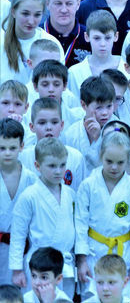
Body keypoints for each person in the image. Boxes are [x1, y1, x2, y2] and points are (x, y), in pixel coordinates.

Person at [74, 131, 130, 300]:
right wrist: (82, 260)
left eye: (120, 162)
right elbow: (80, 224)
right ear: (101, 155)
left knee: (122, 297)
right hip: (94, 253)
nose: (114, 167)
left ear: (128, 159)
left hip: (124, 253)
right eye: (109, 161)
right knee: (93, 297)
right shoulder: (88, 185)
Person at [9, 138, 75, 296]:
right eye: (52, 166)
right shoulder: (29, 196)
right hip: (38, 264)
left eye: (62, 165)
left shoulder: (70, 194)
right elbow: (18, 235)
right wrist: (17, 270)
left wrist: (81, 259)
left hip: (64, 263)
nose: (58, 171)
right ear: (37, 166)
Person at [0, 118, 38, 286]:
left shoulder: (31, 179)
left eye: (12, 148)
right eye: (2, 148)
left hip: (22, 250)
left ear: (22, 146)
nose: (7, 153)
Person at [1, 0, 63, 85]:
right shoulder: (2, 40)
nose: (31, 21)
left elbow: (56, 85)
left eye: (37, 15)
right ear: (13, 12)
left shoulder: (51, 43)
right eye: (25, 14)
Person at [20, 98, 84, 190]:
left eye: (54, 122)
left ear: (62, 125)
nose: (49, 128)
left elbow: (79, 193)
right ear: (32, 127)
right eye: (42, 123)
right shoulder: (23, 157)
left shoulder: (76, 157)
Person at [68, 10, 127, 97]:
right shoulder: (75, 73)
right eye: (97, 38)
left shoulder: (127, 70)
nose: (102, 44)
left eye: (107, 38)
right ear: (86, 37)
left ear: (116, 36)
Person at [42, 0, 91, 67]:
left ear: (78, 4)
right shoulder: (36, 35)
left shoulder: (91, 38)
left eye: (69, 4)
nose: (64, 10)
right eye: (58, 3)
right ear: (47, 4)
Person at [30, 60, 85, 128]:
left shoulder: (78, 118)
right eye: (45, 85)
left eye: (56, 84)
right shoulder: (26, 118)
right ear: (35, 86)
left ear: (64, 86)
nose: (51, 89)